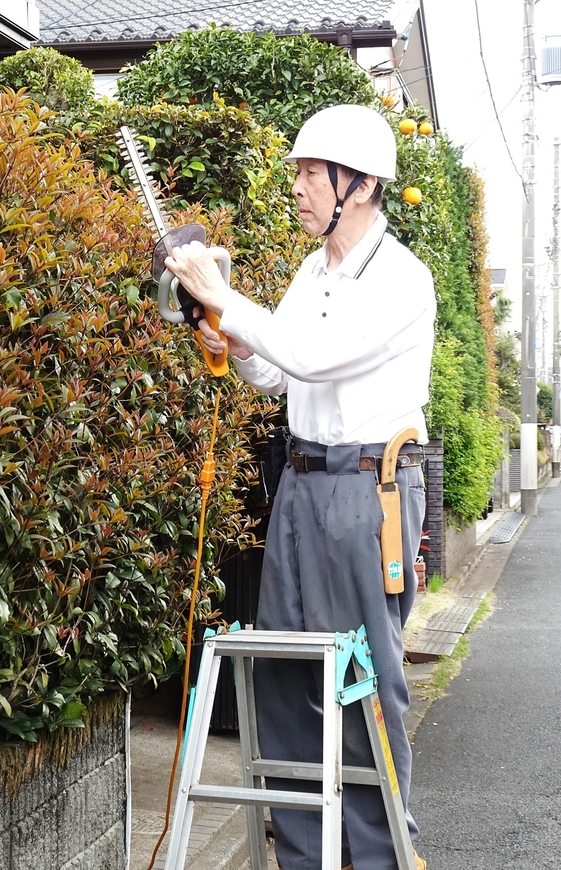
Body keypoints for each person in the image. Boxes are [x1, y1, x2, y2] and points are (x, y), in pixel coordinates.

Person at [164, 104, 436, 870]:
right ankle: (304, 858)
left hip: (366, 491)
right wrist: (232, 341)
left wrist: (221, 294)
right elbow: (279, 372)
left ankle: (383, 856)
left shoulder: (401, 279)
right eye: (297, 172)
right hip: (301, 481)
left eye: (311, 172)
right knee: (281, 671)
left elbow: (317, 356)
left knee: (363, 681)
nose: (298, 187)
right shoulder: (310, 271)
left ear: (361, 184)